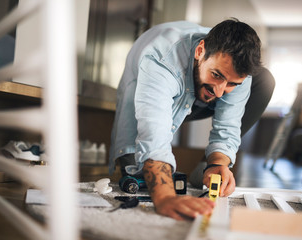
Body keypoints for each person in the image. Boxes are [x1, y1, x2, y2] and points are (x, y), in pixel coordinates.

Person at [109, 18, 275, 220]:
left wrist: (217, 163)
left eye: (232, 83)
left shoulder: (239, 71)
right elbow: (154, 134)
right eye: (216, 75)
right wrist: (165, 198)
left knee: (265, 80)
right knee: (136, 171)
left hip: (195, 91)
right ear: (200, 52)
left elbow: (228, 125)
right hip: (148, 91)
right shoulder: (160, 59)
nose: (221, 92)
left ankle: (205, 166)